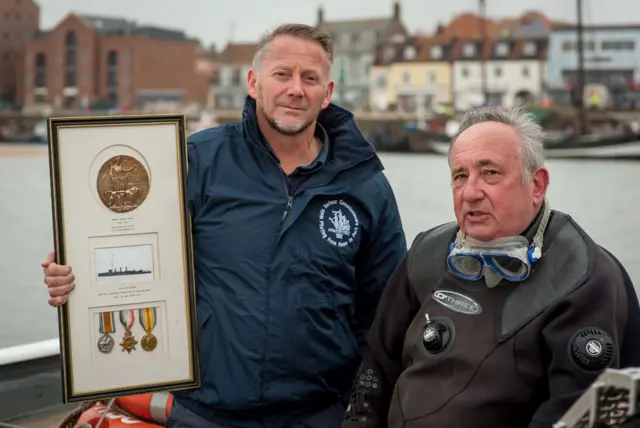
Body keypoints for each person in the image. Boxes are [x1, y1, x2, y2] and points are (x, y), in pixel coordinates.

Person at [42, 23, 407, 428]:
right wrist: (76, 279)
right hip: (204, 412)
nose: (296, 89)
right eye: (282, 74)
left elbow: (387, 310)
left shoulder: (365, 184)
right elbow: (128, 248)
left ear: (328, 93)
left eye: (310, 78)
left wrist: (362, 406)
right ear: (254, 83)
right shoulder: (197, 161)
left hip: (319, 412)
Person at [340, 106, 640, 428]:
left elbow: (575, 414)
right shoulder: (427, 254)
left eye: (490, 173)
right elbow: (376, 366)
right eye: (460, 176)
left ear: (537, 185)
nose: (470, 192)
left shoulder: (582, 278)